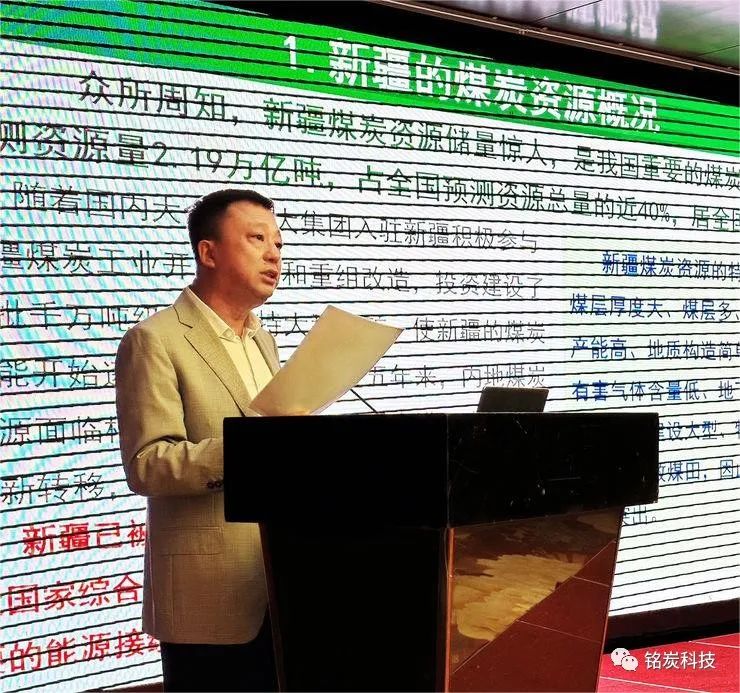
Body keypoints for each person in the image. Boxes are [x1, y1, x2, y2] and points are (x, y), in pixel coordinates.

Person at [115, 189, 283, 691]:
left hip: (276, 583)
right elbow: (148, 463)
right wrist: (252, 450)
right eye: (257, 239)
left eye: (278, 243)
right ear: (208, 252)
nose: (274, 255)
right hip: (206, 598)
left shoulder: (263, 340)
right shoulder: (156, 339)